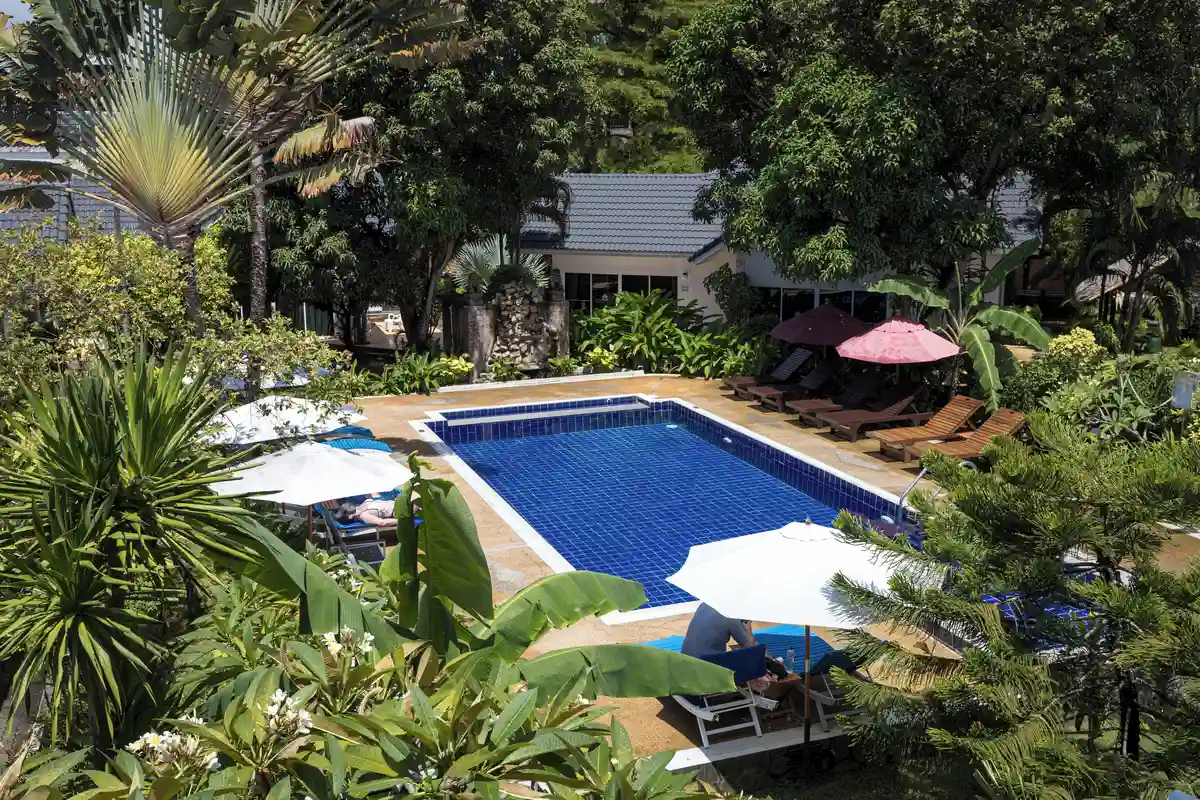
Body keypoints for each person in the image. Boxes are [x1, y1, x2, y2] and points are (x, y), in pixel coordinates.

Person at [681, 602, 755, 657]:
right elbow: (749, 648)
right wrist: (748, 628)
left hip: (685, 659)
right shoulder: (730, 617)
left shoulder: (704, 604)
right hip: (706, 665)